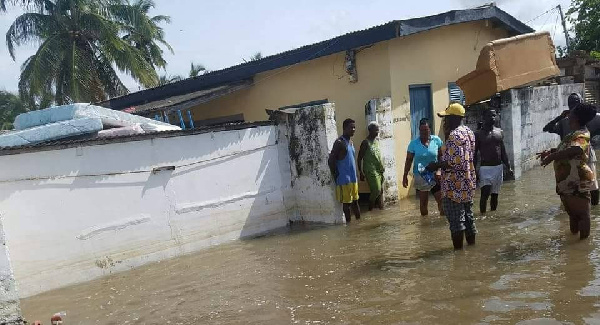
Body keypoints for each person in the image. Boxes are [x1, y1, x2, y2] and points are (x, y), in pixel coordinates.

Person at [538, 103, 598, 239]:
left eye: (572, 112)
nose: (568, 114)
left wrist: (553, 157)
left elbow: (577, 149)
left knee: (583, 215)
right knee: (573, 214)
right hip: (568, 182)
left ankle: (582, 253)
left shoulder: (582, 134)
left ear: (576, 117)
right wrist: (551, 152)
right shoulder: (573, 134)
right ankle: (573, 250)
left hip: (577, 181)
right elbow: (568, 149)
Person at [426, 102, 477, 250]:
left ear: (454, 118)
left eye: (447, 118)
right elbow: (467, 158)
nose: (445, 121)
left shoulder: (454, 136)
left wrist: (435, 166)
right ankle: (472, 249)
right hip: (467, 181)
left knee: (456, 222)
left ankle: (458, 254)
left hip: (454, 184)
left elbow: (454, 163)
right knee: (468, 218)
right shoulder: (469, 132)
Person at [544, 93, 600, 205]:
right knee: (571, 185)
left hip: (584, 154)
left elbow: (578, 147)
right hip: (567, 155)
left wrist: (552, 156)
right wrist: (560, 117)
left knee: (591, 184)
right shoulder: (565, 121)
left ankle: (591, 208)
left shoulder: (591, 119)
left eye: (576, 104)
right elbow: (547, 128)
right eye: (571, 104)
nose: (573, 107)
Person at [474, 109, 514, 213]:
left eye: (494, 115)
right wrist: (473, 171)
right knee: (485, 193)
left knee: (495, 195)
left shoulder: (499, 132)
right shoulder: (478, 134)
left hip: (498, 167)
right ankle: (482, 215)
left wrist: (508, 166)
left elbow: (503, 151)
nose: (492, 118)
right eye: (489, 116)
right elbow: (474, 154)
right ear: (484, 118)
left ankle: (492, 216)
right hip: (485, 169)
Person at [402, 118, 444, 216]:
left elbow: (441, 156)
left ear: (430, 130)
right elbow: (409, 160)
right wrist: (405, 176)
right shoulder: (413, 144)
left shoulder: (436, 140)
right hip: (421, 173)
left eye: (426, 130)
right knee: (424, 204)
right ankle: (425, 225)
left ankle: (442, 223)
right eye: (421, 130)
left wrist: (439, 170)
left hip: (434, 174)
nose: (424, 132)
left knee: (442, 200)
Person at [328, 118, 361, 222]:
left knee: (356, 202)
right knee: (347, 204)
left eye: (354, 127)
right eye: (351, 127)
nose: (353, 129)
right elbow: (331, 160)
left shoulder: (350, 142)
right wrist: (336, 174)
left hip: (353, 179)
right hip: (343, 180)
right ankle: (349, 226)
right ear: (344, 128)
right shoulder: (339, 142)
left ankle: (359, 223)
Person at [358, 122, 385, 211]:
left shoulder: (376, 141)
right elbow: (359, 158)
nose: (377, 132)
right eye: (375, 130)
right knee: (376, 190)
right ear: (370, 130)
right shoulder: (365, 143)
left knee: (380, 191)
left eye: (378, 130)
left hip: (379, 170)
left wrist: (382, 166)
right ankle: (370, 209)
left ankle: (381, 210)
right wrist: (360, 172)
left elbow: (378, 156)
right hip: (370, 170)